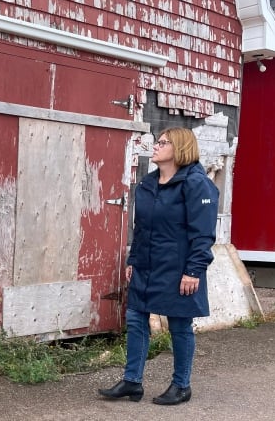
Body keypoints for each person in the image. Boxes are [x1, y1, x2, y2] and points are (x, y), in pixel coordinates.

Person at [98, 127, 219, 405]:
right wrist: (134, 259)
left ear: (179, 149)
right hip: (147, 264)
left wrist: (194, 270)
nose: (155, 147)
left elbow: (203, 233)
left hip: (179, 268)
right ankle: (132, 381)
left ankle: (181, 385)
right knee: (136, 318)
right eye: (156, 142)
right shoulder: (148, 183)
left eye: (162, 143)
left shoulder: (197, 184)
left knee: (179, 324)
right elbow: (142, 228)